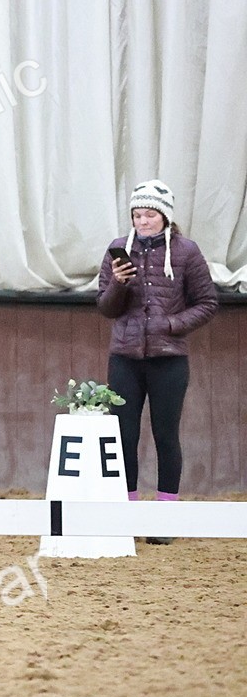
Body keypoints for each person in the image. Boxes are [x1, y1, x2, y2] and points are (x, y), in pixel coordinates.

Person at [96, 180, 218, 543]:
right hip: (125, 358)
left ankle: (165, 518)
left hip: (169, 359)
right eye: (136, 214)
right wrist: (118, 283)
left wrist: (172, 324)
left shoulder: (186, 252)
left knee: (166, 436)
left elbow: (208, 302)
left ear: (164, 216)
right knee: (123, 437)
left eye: (149, 214)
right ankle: (128, 513)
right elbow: (105, 307)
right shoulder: (118, 249)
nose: (142, 221)